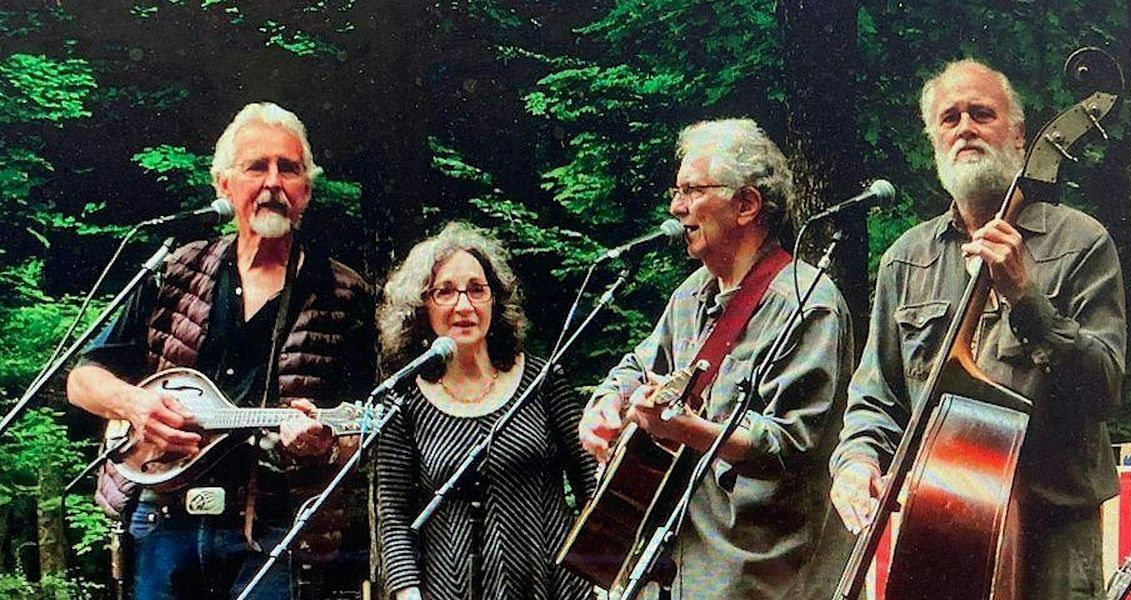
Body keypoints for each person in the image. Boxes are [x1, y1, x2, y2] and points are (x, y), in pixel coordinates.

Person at [829, 59, 1126, 598]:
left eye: (981, 113)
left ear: (1017, 133)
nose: (964, 126)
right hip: (942, 526)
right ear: (934, 141)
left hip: (1053, 538)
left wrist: (1026, 297)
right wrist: (855, 461)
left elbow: (1104, 388)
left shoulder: (1081, 241)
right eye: (949, 118)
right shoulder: (906, 260)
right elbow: (876, 396)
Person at [66, 102, 376, 599]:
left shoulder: (344, 293)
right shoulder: (174, 270)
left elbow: (367, 426)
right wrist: (135, 405)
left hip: (277, 532)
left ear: (306, 192)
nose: (273, 182)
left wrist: (325, 443)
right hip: (162, 518)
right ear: (223, 186)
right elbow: (82, 380)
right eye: (257, 166)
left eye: (289, 168)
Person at [578, 118, 854, 599]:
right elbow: (637, 365)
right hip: (667, 562)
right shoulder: (690, 295)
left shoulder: (810, 303)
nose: (675, 206)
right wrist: (606, 403)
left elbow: (791, 443)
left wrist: (683, 429)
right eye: (676, 190)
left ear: (746, 205)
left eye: (691, 190)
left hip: (755, 574)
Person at [375, 222, 596, 600]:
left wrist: (601, 572)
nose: (464, 306)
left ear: (495, 299)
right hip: (450, 591)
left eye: (477, 290)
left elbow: (591, 479)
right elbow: (393, 517)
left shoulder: (542, 380)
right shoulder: (403, 402)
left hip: (556, 587)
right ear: (421, 306)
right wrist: (409, 595)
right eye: (445, 292)